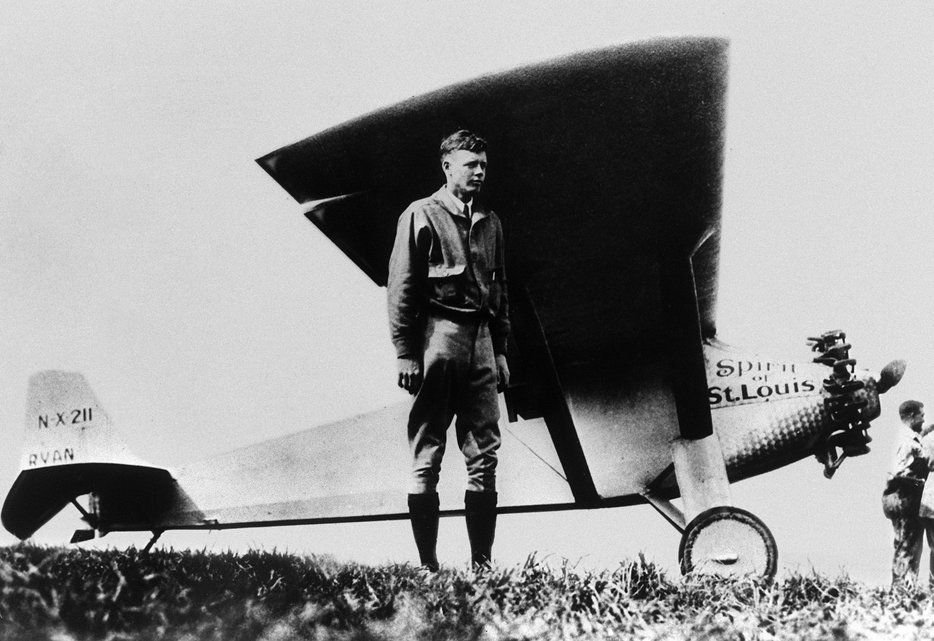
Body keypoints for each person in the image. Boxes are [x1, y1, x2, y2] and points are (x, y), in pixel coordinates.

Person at [387, 129, 510, 571]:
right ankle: (428, 566)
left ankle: (482, 566)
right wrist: (406, 351)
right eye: (470, 164)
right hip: (439, 336)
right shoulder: (420, 214)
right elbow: (402, 287)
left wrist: (500, 350)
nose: (479, 172)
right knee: (428, 451)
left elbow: (500, 289)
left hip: (482, 339)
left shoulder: (491, 222)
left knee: (485, 452)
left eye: (483, 165)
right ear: (447, 167)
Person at [882, 400, 934, 585]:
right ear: (912, 415)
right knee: (907, 547)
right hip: (902, 496)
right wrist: (918, 482)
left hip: (899, 497)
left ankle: (903, 589)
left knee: (906, 546)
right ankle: (901, 591)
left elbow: (922, 434)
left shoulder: (907, 435)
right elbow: (899, 472)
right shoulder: (907, 441)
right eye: (921, 415)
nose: (923, 419)